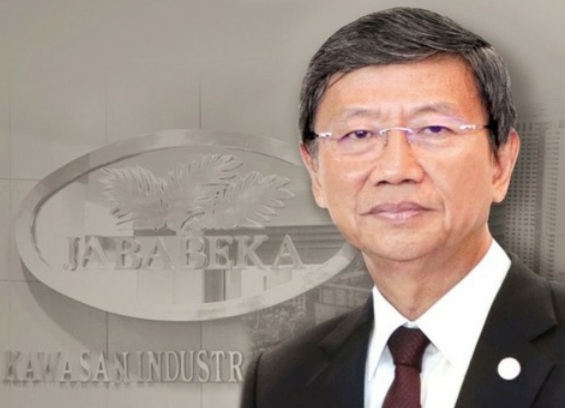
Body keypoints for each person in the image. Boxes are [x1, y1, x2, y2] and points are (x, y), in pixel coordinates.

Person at [240, 7, 565, 408]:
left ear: (501, 161)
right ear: (315, 172)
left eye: (434, 129)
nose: (395, 170)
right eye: (359, 133)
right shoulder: (281, 380)